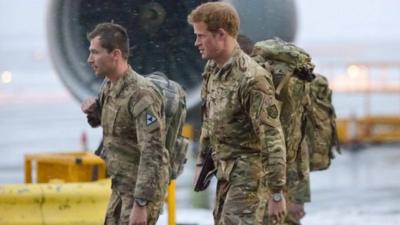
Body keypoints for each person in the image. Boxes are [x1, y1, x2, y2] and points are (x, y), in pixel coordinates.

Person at [187, 3, 287, 225]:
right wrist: (201, 162)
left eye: (201, 36)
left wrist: (277, 192)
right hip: (224, 178)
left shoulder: (252, 78)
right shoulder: (212, 72)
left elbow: (271, 136)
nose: (196, 43)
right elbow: (209, 122)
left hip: (248, 179)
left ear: (221, 35)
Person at [80, 22, 169, 225]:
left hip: (140, 191)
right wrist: (94, 112)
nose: (89, 59)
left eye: (95, 52)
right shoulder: (109, 86)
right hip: (121, 186)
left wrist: (140, 204)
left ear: (115, 54)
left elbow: (152, 152)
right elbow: (115, 124)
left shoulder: (141, 94)